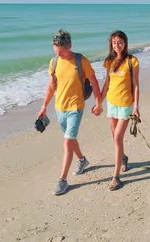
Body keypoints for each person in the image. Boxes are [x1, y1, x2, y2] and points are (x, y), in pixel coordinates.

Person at [37, 29, 103, 196]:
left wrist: (98, 102)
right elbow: (52, 86)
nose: (58, 54)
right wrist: (44, 106)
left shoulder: (81, 61)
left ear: (69, 46)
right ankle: (82, 160)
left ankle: (62, 180)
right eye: (55, 51)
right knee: (70, 139)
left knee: (67, 141)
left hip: (76, 107)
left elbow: (94, 81)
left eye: (60, 51)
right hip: (60, 108)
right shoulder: (54, 62)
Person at [100, 30, 140, 191]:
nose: (117, 45)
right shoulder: (109, 61)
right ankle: (123, 158)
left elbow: (136, 85)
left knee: (117, 138)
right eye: (114, 42)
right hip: (112, 103)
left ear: (125, 43)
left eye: (120, 42)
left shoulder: (132, 61)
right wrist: (98, 102)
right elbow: (106, 83)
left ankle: (116, 176)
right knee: (115, 137)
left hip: (126, 104)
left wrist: (136, 107)